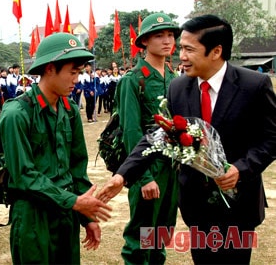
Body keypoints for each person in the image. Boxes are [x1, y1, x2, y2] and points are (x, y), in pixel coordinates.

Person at [97, 14, 276, 264]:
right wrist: (122, 175)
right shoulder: (178, 88)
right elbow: (159, 137)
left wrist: (241, 169)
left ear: (215, 51)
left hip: (238, 206)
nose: (180, 55)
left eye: (189, 49)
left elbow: (271, 139)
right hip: (196, 205)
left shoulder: (254, 85)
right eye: (181, 48)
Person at [0, 32, 112, 264]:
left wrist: (86, 217)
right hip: (33, 216)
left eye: (79, 72)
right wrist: (75, 202)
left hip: (67, 213)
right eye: (72, 72)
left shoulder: (70, 110)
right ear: (50, 69)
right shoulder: (16, 114)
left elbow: (77, 168)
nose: (77, 80)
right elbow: (23, 176)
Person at [114, 12, 180, 265]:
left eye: (171, 35)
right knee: (141, 239)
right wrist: (143, 177)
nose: (167, 40)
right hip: (148, 166)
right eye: (159, 35)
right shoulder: (133, 80)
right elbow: (131, 131)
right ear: (143, 42)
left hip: (171, 167)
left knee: (161, 236)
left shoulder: (174, 79)